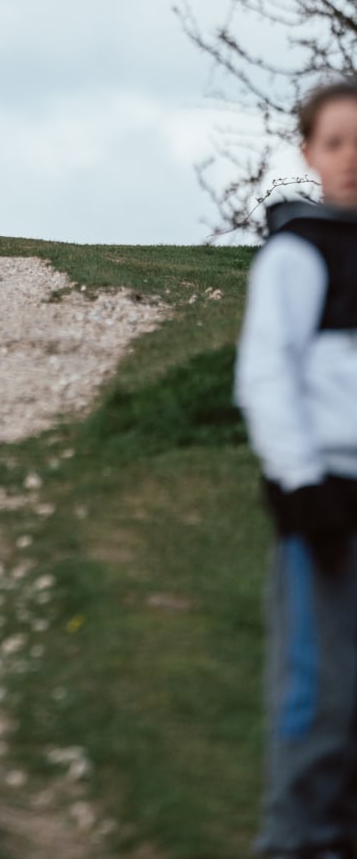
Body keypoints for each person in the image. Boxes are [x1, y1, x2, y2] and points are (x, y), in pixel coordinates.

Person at [236, 78, 357, 859]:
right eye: (336, 142)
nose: (352, 158)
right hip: (325, 501)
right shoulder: (298, 254)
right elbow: (267, 375)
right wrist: (302, 482)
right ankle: (296, 841)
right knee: (323, 694)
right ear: (310, 153)